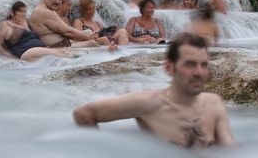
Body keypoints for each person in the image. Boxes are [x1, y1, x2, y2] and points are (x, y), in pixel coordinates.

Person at [72, 33, 235, 148]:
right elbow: (84, 113)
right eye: (190, 64)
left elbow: (230, 154)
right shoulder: (148, 104)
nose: (199, 72)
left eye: (204, 65)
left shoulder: (213, 103)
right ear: (169, 68)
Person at [0, 1, 75, 62]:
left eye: (24, 11)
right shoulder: (6, 25)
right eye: (20, 11)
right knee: (63, 55)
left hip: (39, 50)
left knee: (67, 51)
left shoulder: (26, 23)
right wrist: (12, 59)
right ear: (12, 13)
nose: (23, 14)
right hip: (26, 53)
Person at [30, 0, 101, 48]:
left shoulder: (46, 9)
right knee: (92, 43)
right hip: (55, 48)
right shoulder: (44, 12)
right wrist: (88, 38)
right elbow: (67, 32)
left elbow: (67, 31)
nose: (57, 1)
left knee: (88, 32)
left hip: (62, 43)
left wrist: (87, 36)